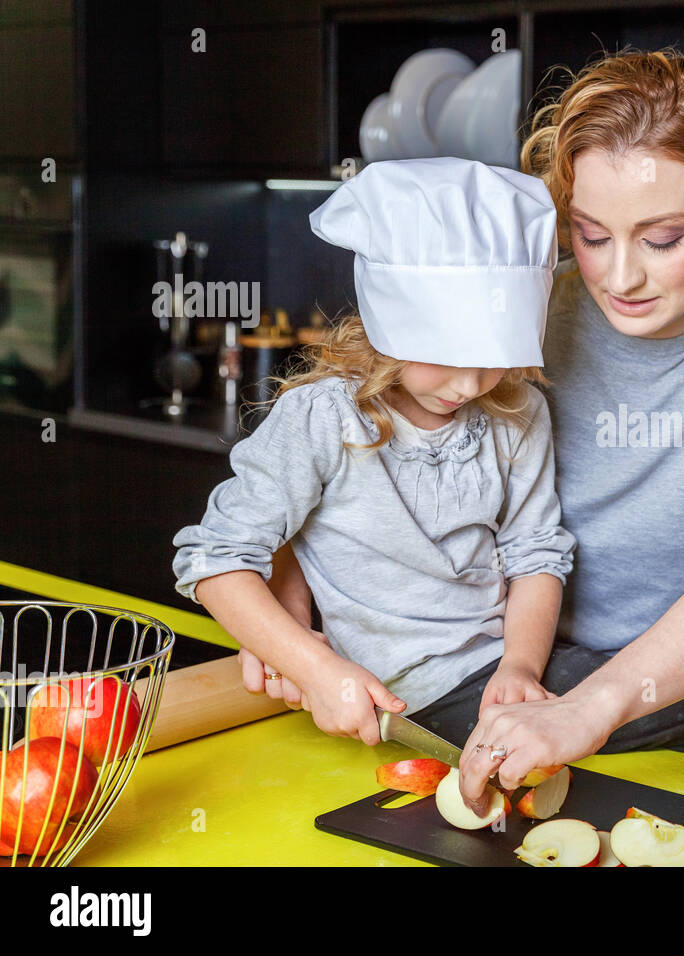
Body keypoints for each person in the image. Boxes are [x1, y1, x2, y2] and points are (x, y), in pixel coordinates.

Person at [248, 52, 684, 806]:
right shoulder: (513, 314)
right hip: (492, 703)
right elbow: (355, 441)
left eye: (662, 240)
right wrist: (285, 595)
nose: (620, 278)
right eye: (591, 236)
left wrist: (591, 706)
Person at [172, 157, 576, 746]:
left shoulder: (518, 412)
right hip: (399, 692)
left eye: (493, 360)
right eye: (447, 357)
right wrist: (315, 668)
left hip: (493, 667)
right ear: (389, 323)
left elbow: (534, 553)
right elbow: (215, 559)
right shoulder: (324, 416)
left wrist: (520, 666)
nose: (468, 386)